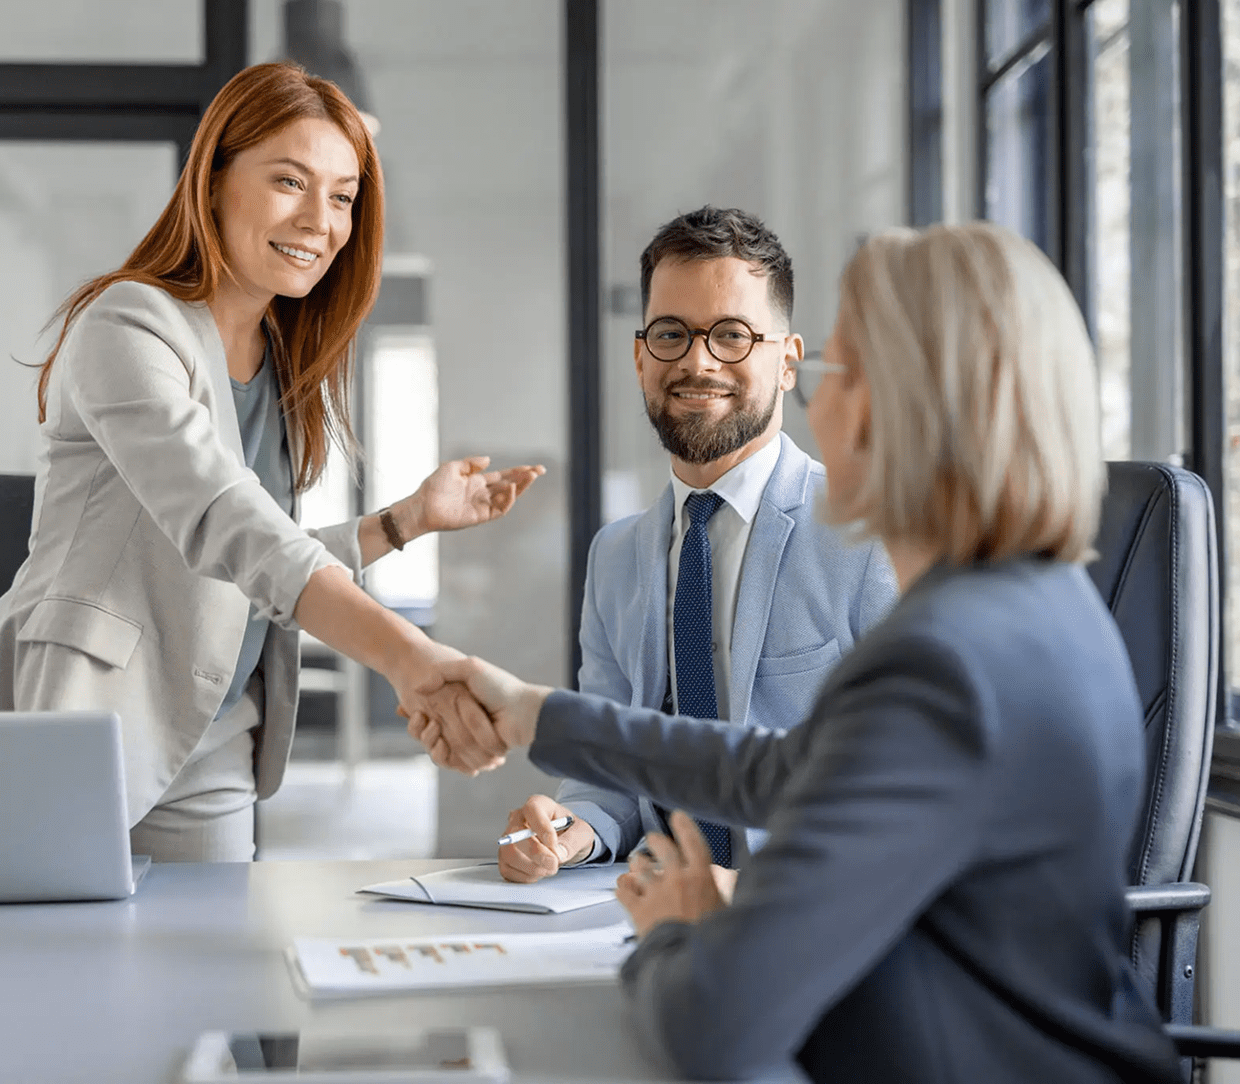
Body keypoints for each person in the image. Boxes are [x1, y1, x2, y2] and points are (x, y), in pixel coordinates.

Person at [410, 222, 1183, 1083]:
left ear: (904, 406)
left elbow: (716, 1028)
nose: (817, 401)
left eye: (837, 373)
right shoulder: (1028, 606)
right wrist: (531, 713)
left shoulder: (947, 660)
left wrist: (671, 929)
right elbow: (788, 771)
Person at [0, 62, 538, 863]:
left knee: (204, 978)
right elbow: (223, 517)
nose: (320, 219)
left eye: (344, 195)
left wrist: (407, 520)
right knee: (67, 971)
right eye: (290, 180)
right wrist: (408, 656)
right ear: (214, 179)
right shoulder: (128, 325)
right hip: (94, 713)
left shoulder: (279, 359)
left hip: (217, 728)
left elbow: (251, 565)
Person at [497, 207, 896, 885]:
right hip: (653, 917)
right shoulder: (615, 557)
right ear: (639, 355)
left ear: (788, 362)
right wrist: (571, 832)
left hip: (811, 919)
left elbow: (903, 789)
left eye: (732, 336)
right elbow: (610, 774)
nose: (697, 361)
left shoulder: (870, 533)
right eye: (671, 334)